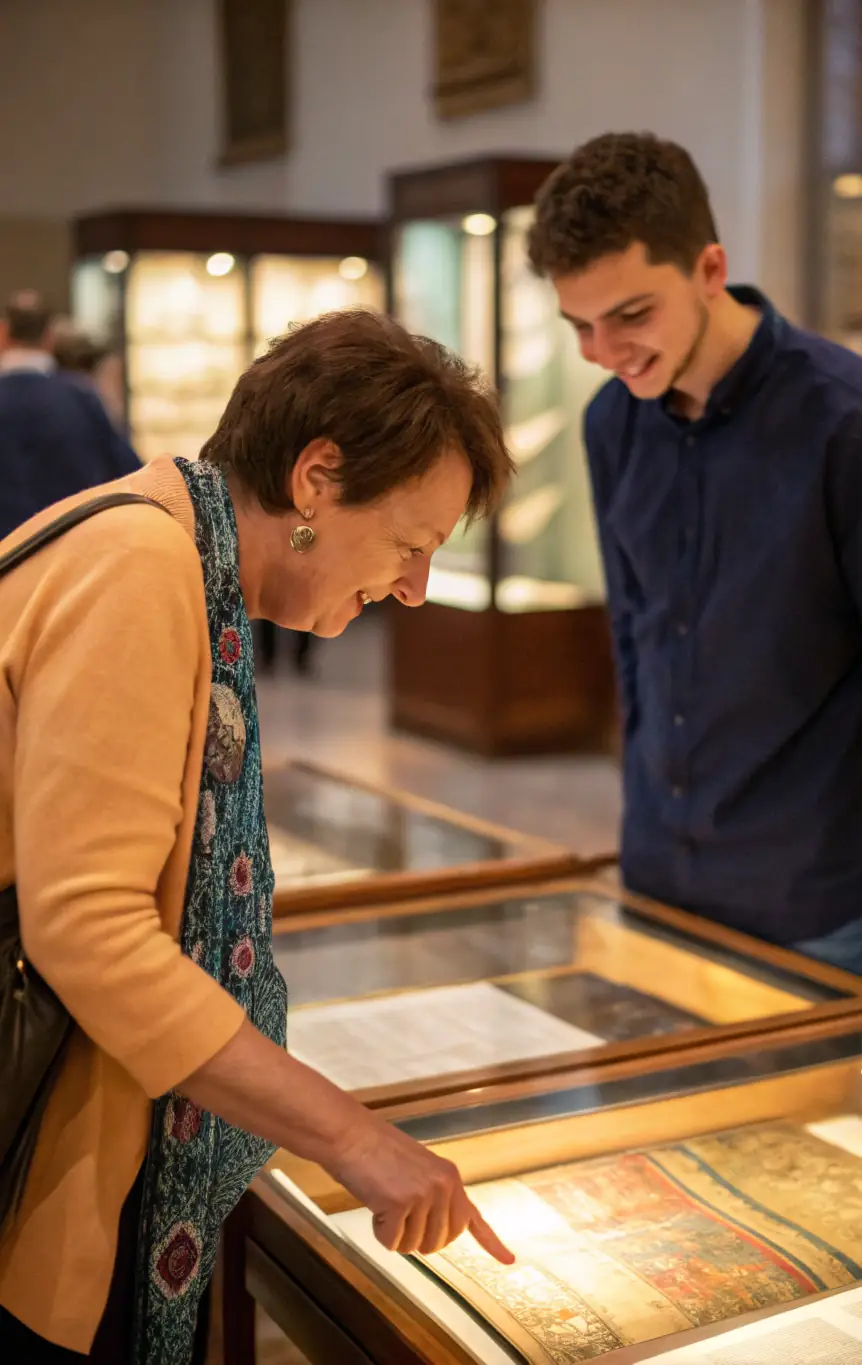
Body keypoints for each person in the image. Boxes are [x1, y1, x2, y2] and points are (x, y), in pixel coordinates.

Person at [0, 308, 516, 1363]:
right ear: (317, 477)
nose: (412, 589)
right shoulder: (142, 565)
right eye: (409, 545)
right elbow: (89, 929)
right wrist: (352, 1137)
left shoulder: (165, 543)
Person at [526, 132, 862, 1021]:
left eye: (631, 315)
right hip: (660, 884)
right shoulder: (611, 425)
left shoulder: (858, 426)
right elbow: (637, 642)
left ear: (710, 268)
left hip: (818, 907)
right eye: (580, 326)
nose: (604, 351)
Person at [0, 290, 140, 538]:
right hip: (70, 550)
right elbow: (129, 473)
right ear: (49, 338)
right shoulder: (81, 398)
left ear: (3, 334)